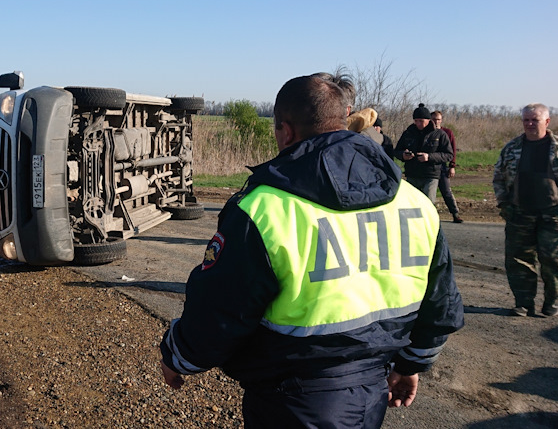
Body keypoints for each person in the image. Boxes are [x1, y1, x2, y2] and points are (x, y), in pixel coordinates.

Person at [158, 73, 464, 428]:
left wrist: (178, 356)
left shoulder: (262, 209)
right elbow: (441, 301)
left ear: (285, 131)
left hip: (292, 400)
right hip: (372, 393)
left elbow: (222, 310)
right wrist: (411, 363)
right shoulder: (413, 200)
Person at [493, 103, 558, 317]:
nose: (529, 124)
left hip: (555, 213)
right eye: (526, 120)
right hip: (520, 213)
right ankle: (524, 303)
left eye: (534, 120)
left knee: (553, 261)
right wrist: (504, 204)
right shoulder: (512, 148)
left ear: (546, 122)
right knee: (519, 260)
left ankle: (552, 302)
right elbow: (499, 177)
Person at [394, 104, 454, 200]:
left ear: (428, 120)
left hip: (430, 175)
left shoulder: (439, 134)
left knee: (428, 202)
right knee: (412, 203)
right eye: (416, 121)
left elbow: (448, 155)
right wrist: (403, 155)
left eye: (421, 121)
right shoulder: (408, 133)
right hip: (412, 174)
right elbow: (396, 151)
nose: (418, 124)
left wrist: (429, 157)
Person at [431, 110, 463, 223]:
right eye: (434, 119)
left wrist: (452, 166)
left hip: (443, 166)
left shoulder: (447, 132)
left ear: (441, 120)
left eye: (438, 119)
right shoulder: (428, 133)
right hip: (430, 167)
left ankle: (455, 213)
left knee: (446, 191)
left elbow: (452, 150)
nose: (436, 122)